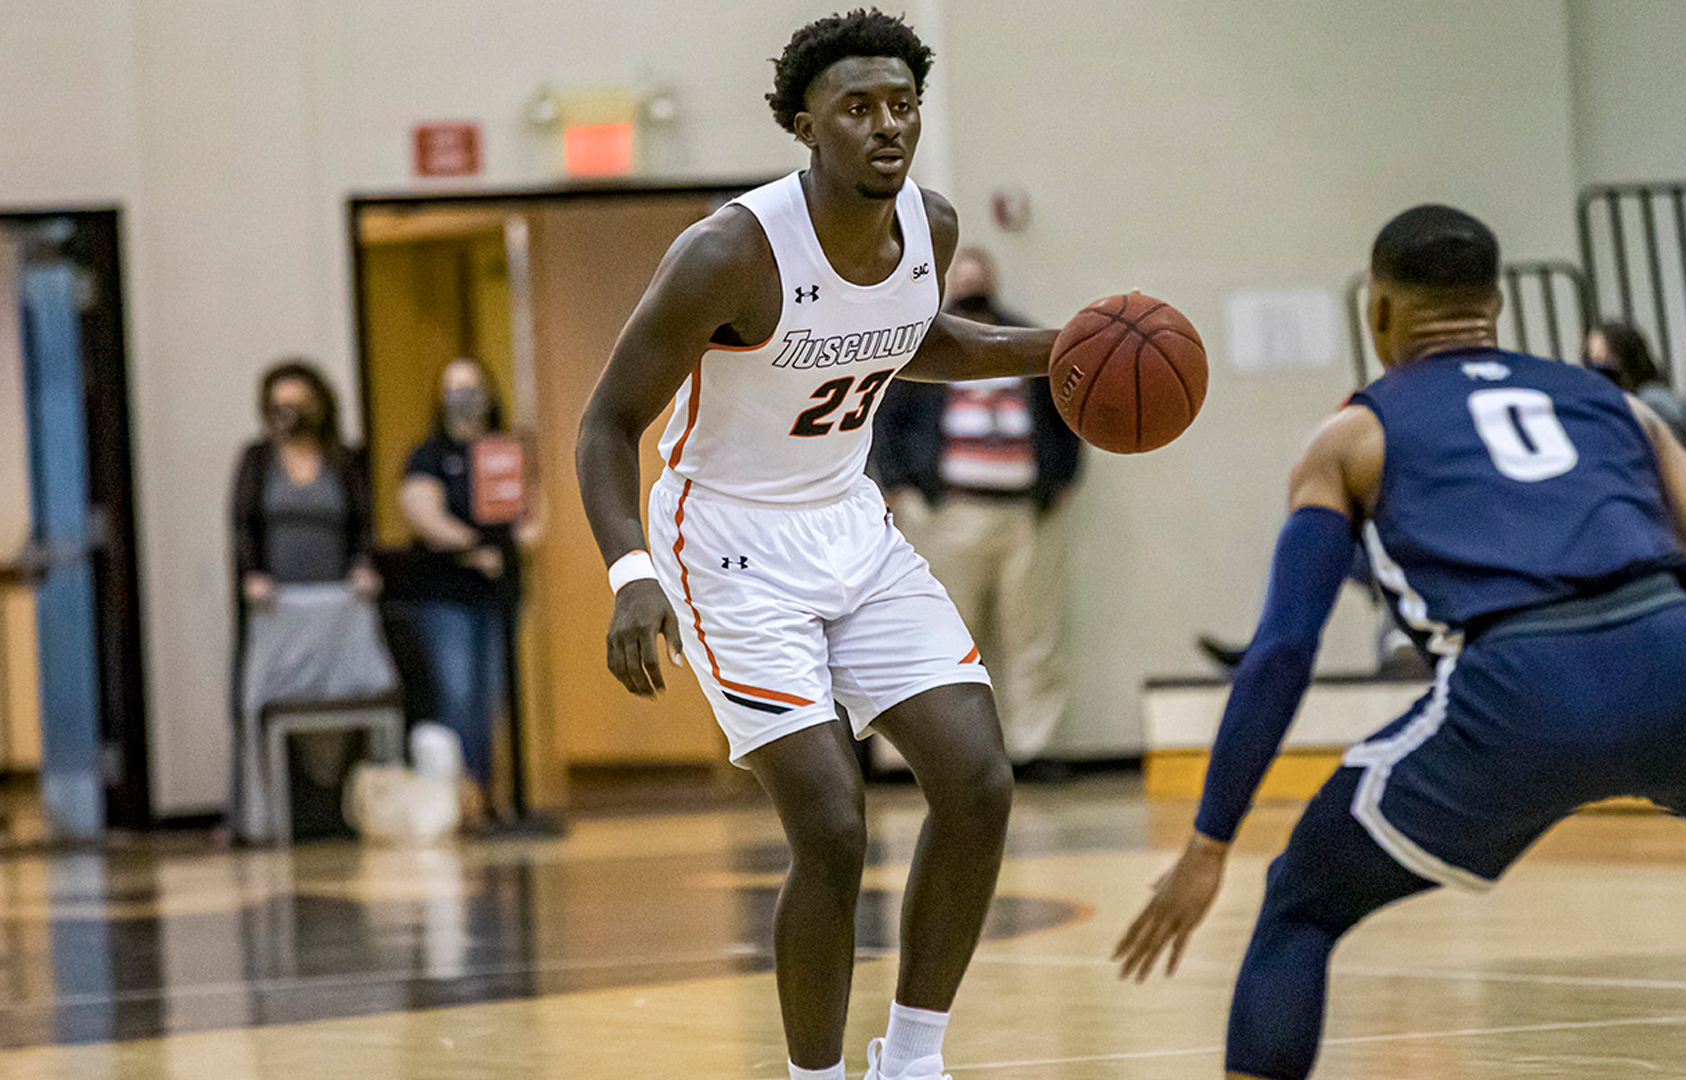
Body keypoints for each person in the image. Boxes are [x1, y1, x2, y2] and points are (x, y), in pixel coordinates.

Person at [1113, 205, 1686, 1080]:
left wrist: (1209, 844)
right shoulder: (1615, 407)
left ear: (1376, 312)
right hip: (1679, 659)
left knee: (1302, 904)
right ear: (1495, 304)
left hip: (1515, 692)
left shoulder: (1352, 435)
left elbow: (1280, 650)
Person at [574, 13, 1090, 1080]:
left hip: (849, 523)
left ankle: (911, 1058)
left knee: (979, 782)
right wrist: (631, 574)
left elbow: (914, 340)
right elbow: (606, 424)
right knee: (833, 824)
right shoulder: (728, 251)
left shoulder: (931, 230)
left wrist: (1065, 350)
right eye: (858, 107)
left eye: (902, 104)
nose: (887, 124)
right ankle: (814, 1078)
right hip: (723, 538)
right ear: (805, 123)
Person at [870, 245, 1081, 778]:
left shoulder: (1031, 344)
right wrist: (897, 485)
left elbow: (1070, 419)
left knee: (1034, 639)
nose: (972, 285)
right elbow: (881, 419)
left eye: (979, 276)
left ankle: (1034, 749)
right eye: (961, 277)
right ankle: (919, 758)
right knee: (938, 638)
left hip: (1023, 514)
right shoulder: (918, 348)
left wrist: (1062, 479)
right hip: (946, 513)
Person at [227, 359, 380, 842]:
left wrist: (362, 566)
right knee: (262, 700)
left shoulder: (342, 458)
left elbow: (363, 523)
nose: (289, 413)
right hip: (280, 611)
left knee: (351, 700)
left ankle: (350, 808)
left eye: (298, 403)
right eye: (279, 404)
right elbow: (242, 524)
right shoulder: (257, 459)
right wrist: (253, 576)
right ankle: (261, 817)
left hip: (336, 609)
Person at [397, 357, 541, 831]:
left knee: (494, 698)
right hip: (446, 593)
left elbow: (535, 516)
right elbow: (422, 512)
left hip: (498, 593)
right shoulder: (428, 455)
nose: (464, 398)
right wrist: (475, 546)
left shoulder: (506, 451)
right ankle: (465, 801)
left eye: (472, 387)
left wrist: (512, 546)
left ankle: (494, 798)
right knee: (458, 695)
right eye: (453, 388)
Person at [1582, 320, 1686, 448]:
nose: (1594, 373)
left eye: (1602, 363)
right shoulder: (1611, 404)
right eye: (1590, 363)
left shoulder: (1655, 401)